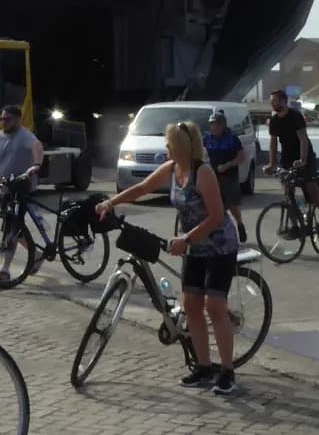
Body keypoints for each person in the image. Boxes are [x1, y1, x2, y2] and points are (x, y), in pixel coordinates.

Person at [96, 120, 240, 396]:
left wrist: (186, 238)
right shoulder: (173, 169)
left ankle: (228, 372)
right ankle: (204, 367)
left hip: (219, 246)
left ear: (182, 147)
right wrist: (111, 202)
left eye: (170, 144)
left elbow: (218, 216)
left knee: (215, 307)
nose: (166, 148)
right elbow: (142, 189)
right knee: (192, 306)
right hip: (194, 248)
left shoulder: (204, 172)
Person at [0, 104, 44, 283]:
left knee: (12, 228)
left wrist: (36, 165)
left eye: (7, 119)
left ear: (18, 120)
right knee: (12, 228)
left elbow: (37, 147)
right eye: (2, 118)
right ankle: (37, 254)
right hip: (6, 188)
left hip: (23, 186)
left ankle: (4, 270)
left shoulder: (25, 136)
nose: (3, 122)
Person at [264, 90, 319, 234]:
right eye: (271, 101)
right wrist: (272, 164)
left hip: (305, 156)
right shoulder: (274, 121)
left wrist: (303, 160)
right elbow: (273, 143)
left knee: (311, 188)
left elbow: (303, 139)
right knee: (288, 192)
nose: (272, 104)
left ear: (283, 101)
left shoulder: (295, 116)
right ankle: (295, 225)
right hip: (287, 158)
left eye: (274, 101)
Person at [203, 110, 248, 242]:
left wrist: (228, 164)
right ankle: (216, 230)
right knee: (213, 203)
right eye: (212, 124)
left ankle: (239, 224)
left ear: (223, 125)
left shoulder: (232, 138)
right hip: (213, 175)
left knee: (232, 203)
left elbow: (242, 156)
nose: (214, 127)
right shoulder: (207, 139)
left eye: (217, 124)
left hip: (229, 174)